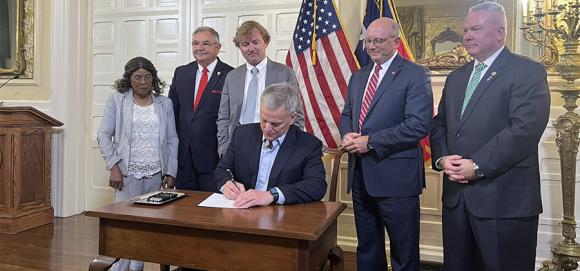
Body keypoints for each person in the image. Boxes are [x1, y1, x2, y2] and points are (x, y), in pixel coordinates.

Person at [430, 3, 550, 270]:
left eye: (476, 29)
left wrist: (478, 165)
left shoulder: (527, 71)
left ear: (499, 32)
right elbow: (440, 125)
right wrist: (441, 159)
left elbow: (524, 130)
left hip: (503, 201)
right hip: (457, 201)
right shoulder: (457, 77)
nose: (467, 36)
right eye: (465, 30)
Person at [339, 17, 433, 271]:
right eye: (368, 41)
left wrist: (371, 142)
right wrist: (347, 134)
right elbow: (347, 115)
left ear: (396, 41)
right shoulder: (358, 76)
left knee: (403, 249)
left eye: (378, 40)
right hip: (360, 175)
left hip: (397, 178)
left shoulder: (415, 73)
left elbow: (418, 125)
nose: (371, 46)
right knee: (367, 246)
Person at [97, 56, 178, 271]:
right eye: (137, 77)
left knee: (146, 228)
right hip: (127, 175)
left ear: (154, 79)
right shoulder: (117, 100)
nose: (143, 82)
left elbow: (172, 139)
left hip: (155, 175)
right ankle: (120, 269)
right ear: (129, 79)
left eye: (148, 77)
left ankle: (137, 268)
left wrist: (171, 171)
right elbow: (103, 135)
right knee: (125, 229)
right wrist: (114, 166)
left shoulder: (164, 103)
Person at [214, 82, 326, 208]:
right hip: (241, 212)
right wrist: (226, 184)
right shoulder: (241, 135)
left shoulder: (308, 145)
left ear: (292, 118)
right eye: (264, 120)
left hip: (281, 216)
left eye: (275, 124)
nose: (267, 129)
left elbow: (317, 186)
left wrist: (271, 195)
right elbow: (222, 170)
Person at [216, 20, 304, 158]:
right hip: (238, 146)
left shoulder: (284, 73)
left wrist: (288, 148)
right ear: (240, 47)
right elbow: (223, 117)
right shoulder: (232, 77)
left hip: (274, 144)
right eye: (245, 44)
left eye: (255, 42)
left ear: (265, 43)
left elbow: (296, 114)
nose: (251, 49)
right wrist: (224, 148)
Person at [168, 26, 233, 192]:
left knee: (211, 211)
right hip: (184, 158)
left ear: (217, 47)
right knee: (183, 208)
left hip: (214, 158)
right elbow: (172, 113)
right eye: (195, 43)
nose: (199, 48)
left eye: (206, 44)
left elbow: (233, 117)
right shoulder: (181, 73)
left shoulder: (231, 75)